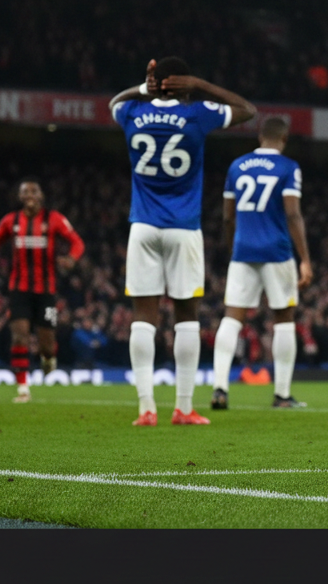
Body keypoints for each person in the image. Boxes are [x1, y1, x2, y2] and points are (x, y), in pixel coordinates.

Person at [109, 57, 255, 426]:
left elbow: (112, 103)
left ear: (153, 82)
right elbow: (247, 110)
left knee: (143, 316)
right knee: (186, 316)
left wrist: (144, 88)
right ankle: (183, 407)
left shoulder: (130, 113)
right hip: (183, 228)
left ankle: (146, 409)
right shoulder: (198, 114)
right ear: (182, 82)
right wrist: (199, 84)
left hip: (141, 226)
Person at [211, 116, 313, 409]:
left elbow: (227, 216)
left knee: (232, 317)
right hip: (277, 251)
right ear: (284, 139)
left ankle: (219, 389)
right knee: (283, 318)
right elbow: (293, 214)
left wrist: (234, 247)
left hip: (244, 250)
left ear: (259, 137)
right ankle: (282, 395)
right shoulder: (288, 168)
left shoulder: (237, 166)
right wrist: (304, 259)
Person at [0, 178, 85, 402]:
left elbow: (77, 242)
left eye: (34, 190)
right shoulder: (11, 221)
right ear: (20, 197)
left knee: (47, 343)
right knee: (19, 337)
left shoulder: (54, 219)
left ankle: (49, 357)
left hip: (46, 292)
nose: (30, 195)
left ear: (41, 195)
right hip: (19, 291)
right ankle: (23, 389)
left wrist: (72, 259)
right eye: (25, 191)